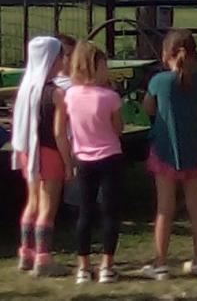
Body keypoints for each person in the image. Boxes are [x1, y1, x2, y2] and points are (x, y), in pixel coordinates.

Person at [140, 29, 197, 280]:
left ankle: (160, 263)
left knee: (165, 208)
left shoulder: (159, 82)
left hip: (164, 149)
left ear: (165, 54)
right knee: (196, 207)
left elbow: (149, 107)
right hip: (193, 149)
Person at [62, 41, 124, 284]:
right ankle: (107, 264)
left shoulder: (70, 95)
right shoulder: (109, 97)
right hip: (109, 156)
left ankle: (83, 266)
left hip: (83, 158)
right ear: (95, 67)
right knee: (110, 212)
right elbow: (118, 128)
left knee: (85, 212)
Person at [10, 36, 72, 277]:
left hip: (28, 153)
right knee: (48, 207)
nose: (62, 61)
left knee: (32, 202)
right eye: (60, 56)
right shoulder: (56, 94)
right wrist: (69, 163)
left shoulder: (25, 89)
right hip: (49, 154)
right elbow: (59, 133)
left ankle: (26, 252)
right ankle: (44, 258)